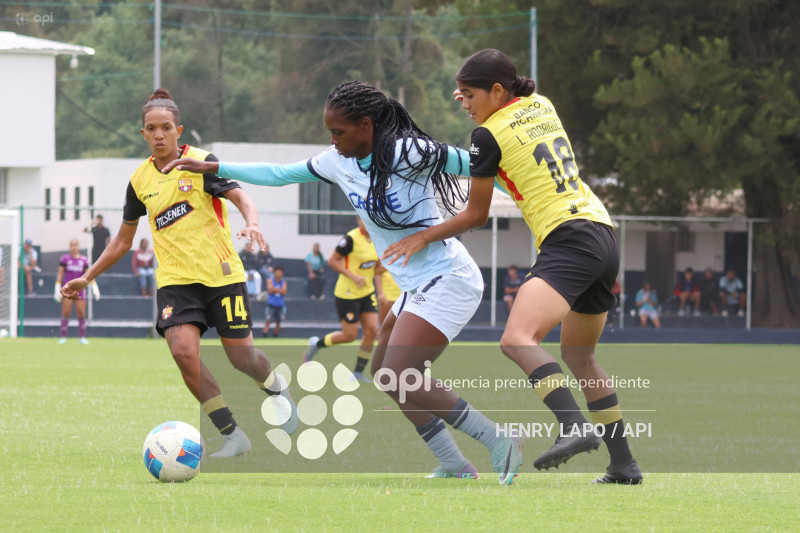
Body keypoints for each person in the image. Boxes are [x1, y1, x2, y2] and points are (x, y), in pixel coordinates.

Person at [164, 80, 523, 485]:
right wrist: (216, 168)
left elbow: (482, 161)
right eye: (329, 133)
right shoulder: (338, 162)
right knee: (388, 375)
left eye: (339, 132)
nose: (332, 142)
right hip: (415, 287)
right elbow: (280, 174)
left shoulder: (409, 151)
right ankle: (454, 464)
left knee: (404, 372)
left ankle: (497, 438)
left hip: (449, 278)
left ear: (366, 126)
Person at [382, 49, 642, 484]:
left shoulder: (486, 135)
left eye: (467, 93)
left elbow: (475, 215)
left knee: (517, 339)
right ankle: (624, 464)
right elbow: (515, 160)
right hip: (603, 232)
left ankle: (574, 427)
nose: (460, 99)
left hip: (569, 238)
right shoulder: (543, 105)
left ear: (497, 91)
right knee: (580, 355)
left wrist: (422, 235)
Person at [61, 88, 297, 458]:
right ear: (143, 133)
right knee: (183, 352)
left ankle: (276, 389)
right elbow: (123, 242)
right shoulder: (139, 181)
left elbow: (241, 197)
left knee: (242, 359)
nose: (158, 134)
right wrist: (87, 277)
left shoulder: (201, 163)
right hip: (175, 282)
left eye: (166, 128)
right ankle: (232, 433)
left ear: (178, 130)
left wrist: (252, 223)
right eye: (151, 129)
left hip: (222, 276)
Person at [304, 217, 381, 384]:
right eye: (364, 217)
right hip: (347, 294)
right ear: (359, 219)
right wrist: (353, 276)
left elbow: (377, 266)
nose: (368, 220)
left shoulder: (379, 237)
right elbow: (332, 261)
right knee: (350, 335)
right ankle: (316, 344)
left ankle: (358, 372)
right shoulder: (350, 239)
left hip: (367, 292)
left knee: (371, 331)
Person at [54, 239, 99, 344]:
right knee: (66, 312)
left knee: (81, 313)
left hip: (80, 290)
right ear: (70, 247)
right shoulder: (65, 259)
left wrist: (94, 287)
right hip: (68, 290)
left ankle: (82, 337)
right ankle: (63, 337)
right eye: (72, 245)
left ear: (78, 246)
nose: (73, 247)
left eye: (75, 245)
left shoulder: (84, 260)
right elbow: (60, 273)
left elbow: (89, 275)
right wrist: (57, 287)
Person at [263, 266, 287, 337]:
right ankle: (264, 335)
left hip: (280, 305)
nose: (279, 274)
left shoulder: (283, 282)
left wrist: (275, 289)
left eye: (281, 272)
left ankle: (275, 335)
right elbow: (270, 290)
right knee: (268, 321)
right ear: (274, 272)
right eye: (277, 272)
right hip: (271, 305)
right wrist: (279, 290)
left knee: (278, 322)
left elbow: (284, 291)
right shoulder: (270, 280)